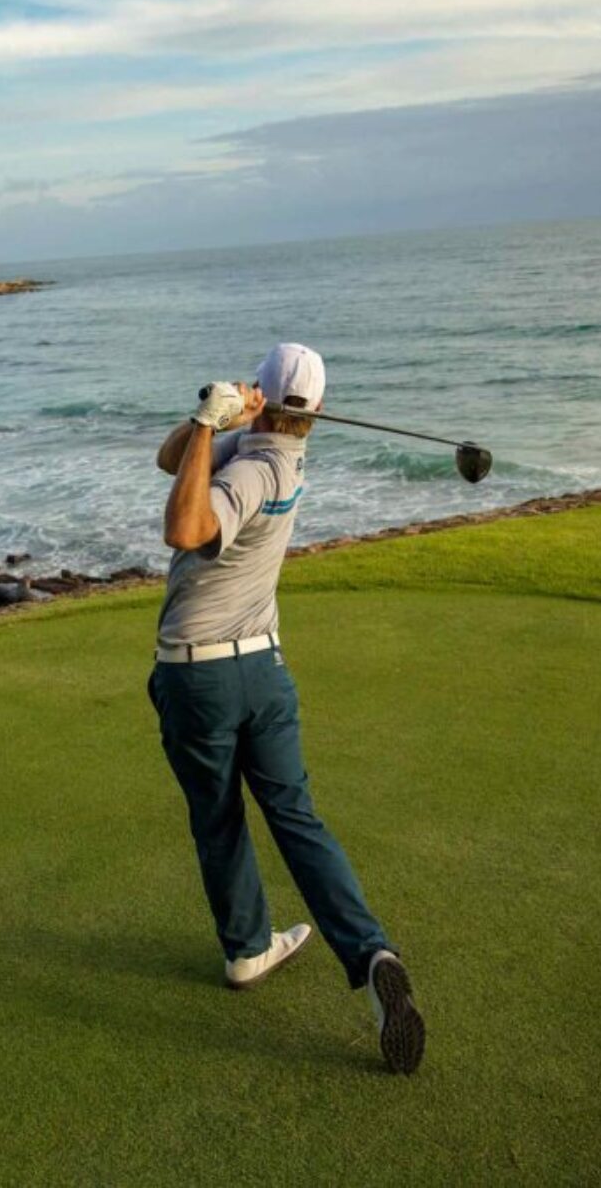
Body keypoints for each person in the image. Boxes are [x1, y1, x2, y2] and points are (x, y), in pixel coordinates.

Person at [149, 342, 426, 1075]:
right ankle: (371, 955)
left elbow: (185, 528)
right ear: (319, 410)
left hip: (199, 677)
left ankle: (245, 949)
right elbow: (168, 459)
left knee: (217, 817)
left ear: (264, 400)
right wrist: (205, 418)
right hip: (264, 673)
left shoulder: (249, 467)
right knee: (296, 817)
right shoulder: (283, 454)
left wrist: (215, 429)